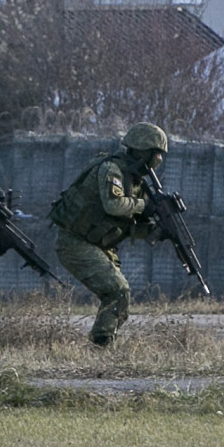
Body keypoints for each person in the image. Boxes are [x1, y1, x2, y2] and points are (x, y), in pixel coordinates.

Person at [47, 122, 168, 347]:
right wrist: (145, 205)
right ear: (143, 151)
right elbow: (114, 205)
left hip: (97, 244)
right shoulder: (112, 169)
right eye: (157, 153)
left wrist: (158, 231)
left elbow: (126, 226)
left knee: (119, 294)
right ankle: (101, 344)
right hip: (75, 242)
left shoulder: (135, 180)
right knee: (118, 290)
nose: (159, 159)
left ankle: (102, 342)